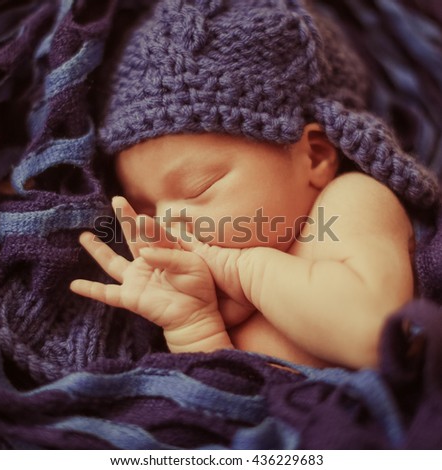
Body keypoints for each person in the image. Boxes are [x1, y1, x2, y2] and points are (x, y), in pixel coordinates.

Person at [70, 0, 438, 370]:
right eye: (147, 210)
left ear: (315, 157)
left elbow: (374, 335)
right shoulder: (218, 296)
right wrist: (195, 326)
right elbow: (235, 390)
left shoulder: (350, 201)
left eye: (199, 187)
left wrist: (245, 269)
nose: (165, 225)